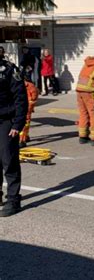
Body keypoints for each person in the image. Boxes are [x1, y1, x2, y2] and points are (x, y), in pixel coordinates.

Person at [0, 55, 28, 217]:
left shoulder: (9, 70)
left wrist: (18, 124)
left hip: (6, 122)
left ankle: (13, 199)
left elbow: (20, 98)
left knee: (8, 160)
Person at [19, 71, 39, 148]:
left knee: (25, 123)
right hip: (23, 106)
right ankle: (25, 137)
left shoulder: (30, 86)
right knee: (25, 123)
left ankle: (22, 140)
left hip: (27, 107)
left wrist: (29, 105)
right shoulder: (27, 85)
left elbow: (34, 98)